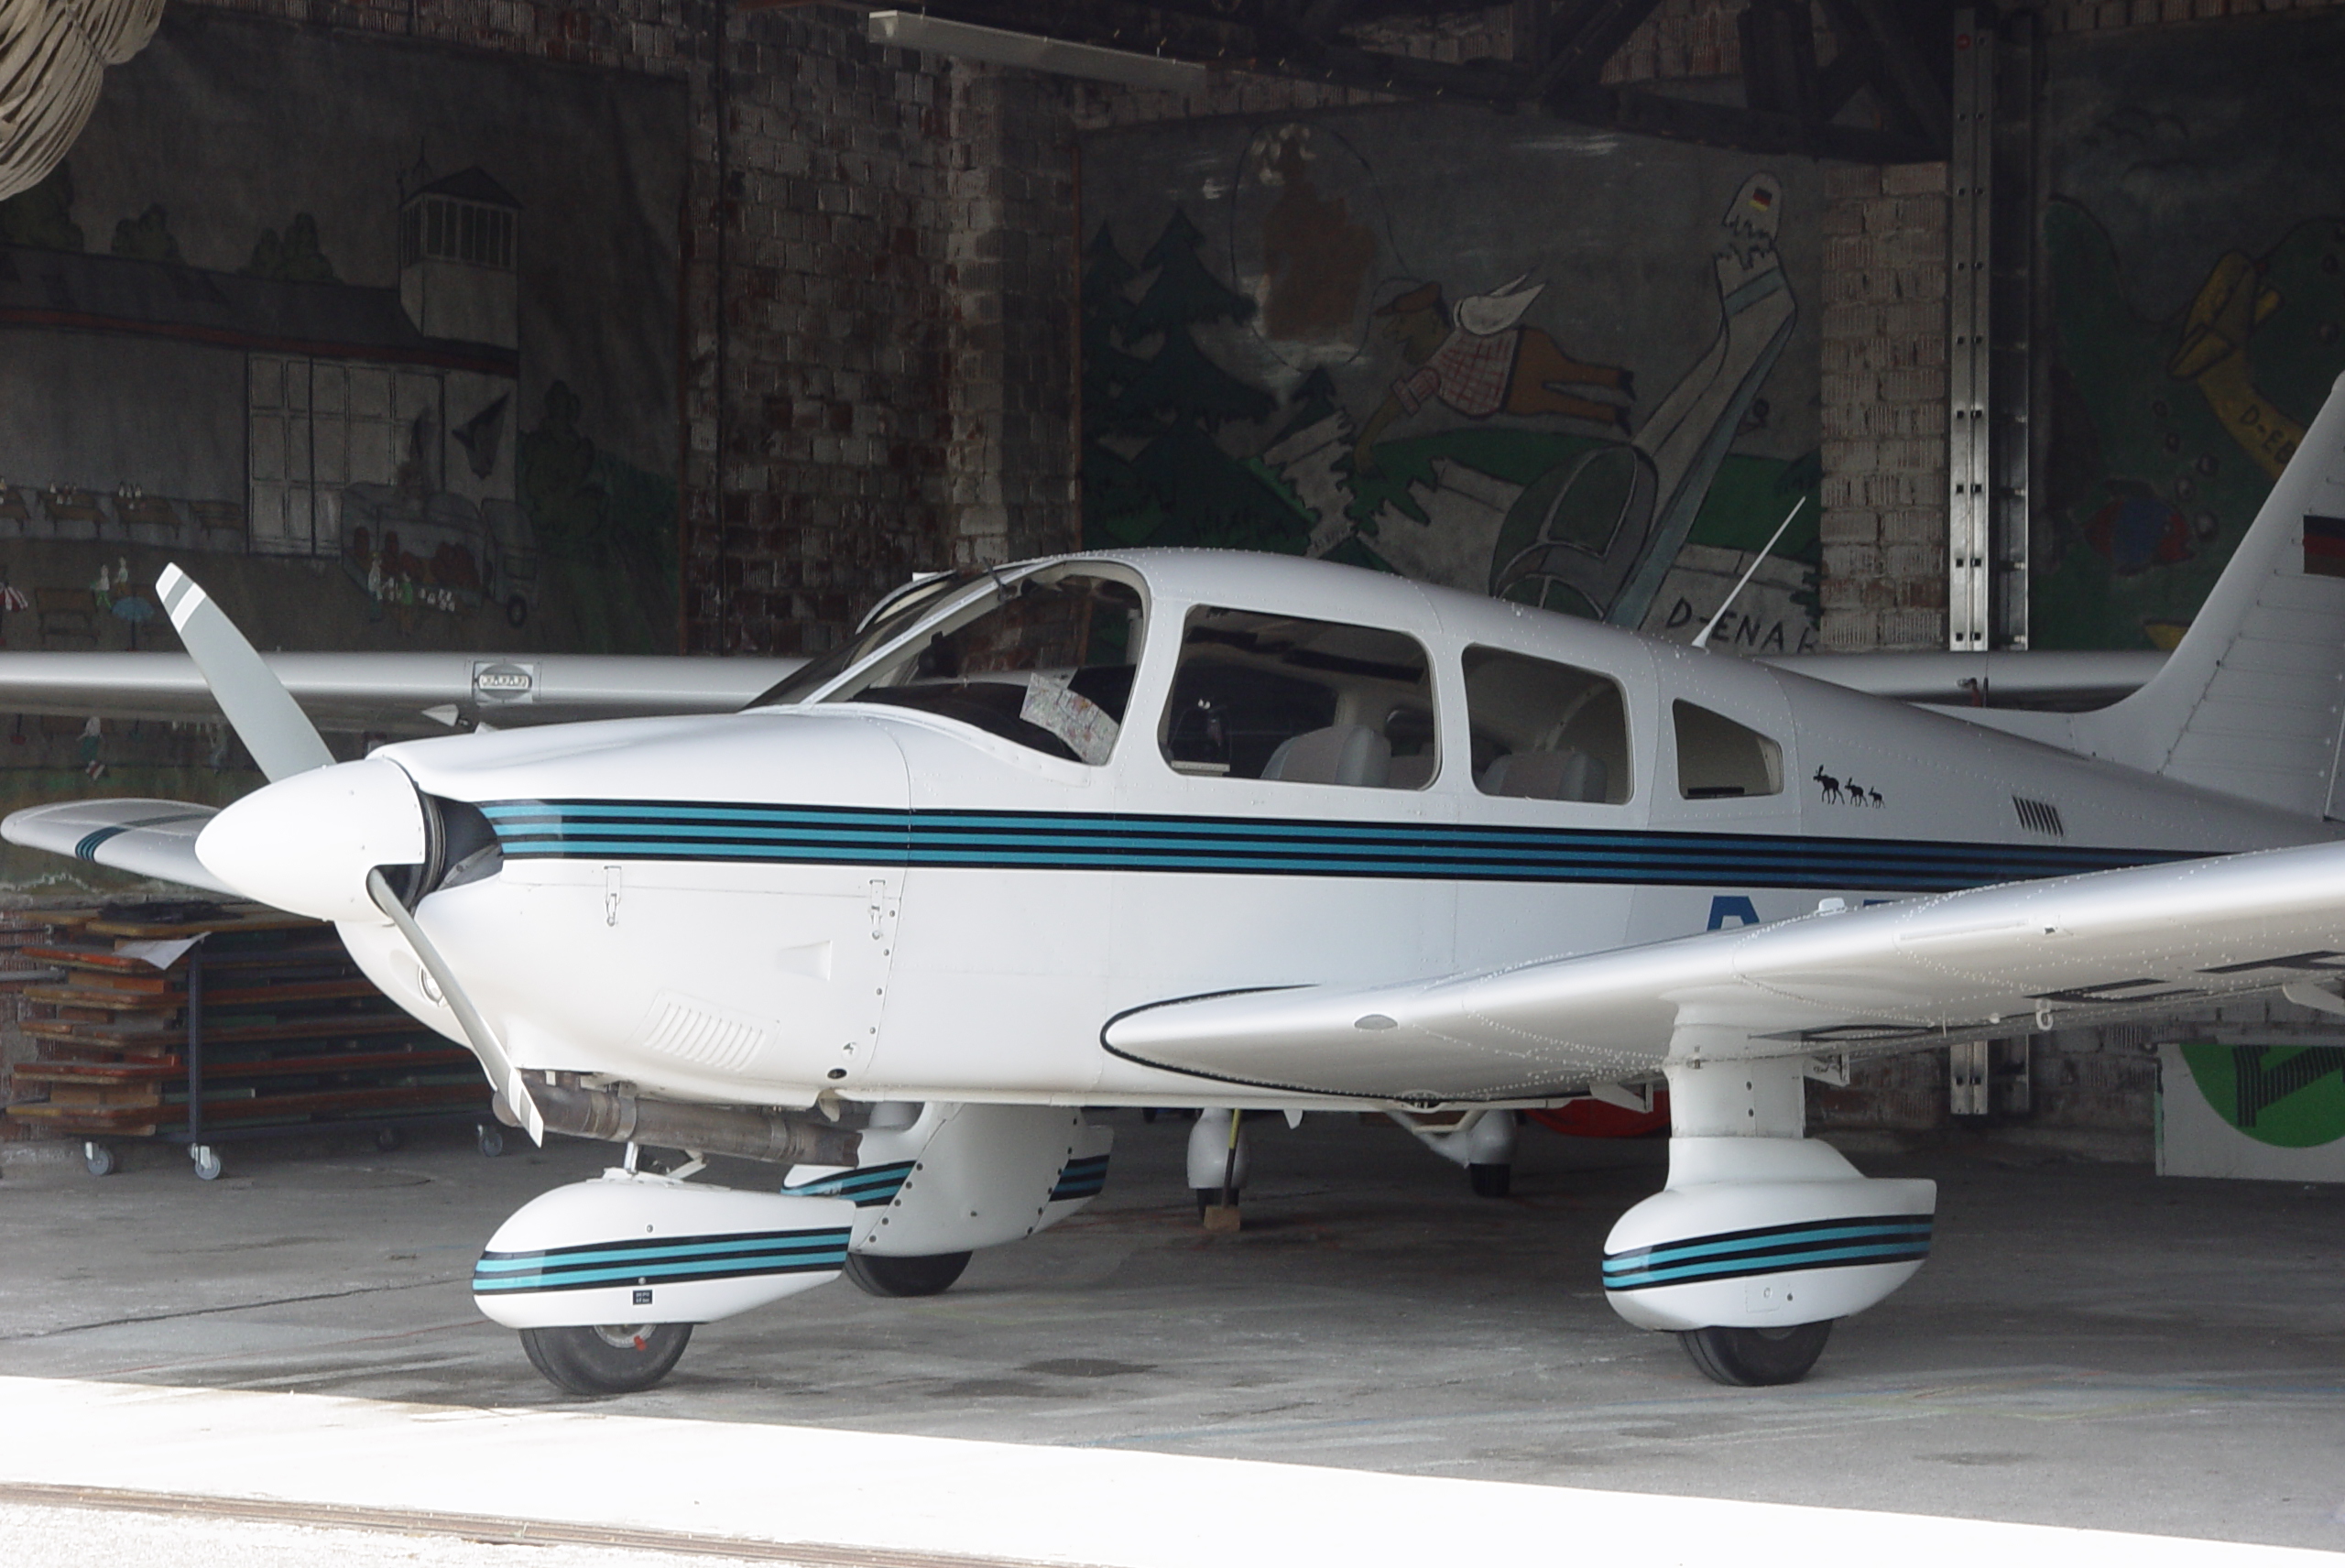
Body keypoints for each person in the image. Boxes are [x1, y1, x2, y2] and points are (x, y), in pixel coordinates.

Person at [1353, 278, 1632, 474]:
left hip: (1522, 355)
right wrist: (1365, 443)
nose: (1396, 331)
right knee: (1562, 398)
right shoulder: (1432, 371)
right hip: (1511, 391)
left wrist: (1365, 444)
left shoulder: (1455, 339)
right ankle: (1614, 411)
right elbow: (1395, 404)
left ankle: (1620, 386)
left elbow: (1393, 406)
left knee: (1571, 378)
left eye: (1403, 322)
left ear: (1430, 319)